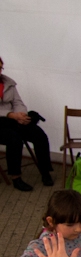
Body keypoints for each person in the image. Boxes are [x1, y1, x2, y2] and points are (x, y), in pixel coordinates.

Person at [0, 56, 54, 191]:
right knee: (14, 139)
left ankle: (45, 172)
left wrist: (22, 115)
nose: (0, 71)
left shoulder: (8, 83)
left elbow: (18, 102)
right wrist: (11, 115)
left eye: (1, 68)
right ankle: (16, 178)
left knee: (38, 134)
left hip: (13, 119)